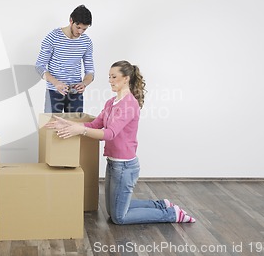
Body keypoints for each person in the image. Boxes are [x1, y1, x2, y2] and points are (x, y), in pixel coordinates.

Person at [46, 60, 196, 224]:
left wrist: (80, 130)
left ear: (126, 78)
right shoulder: (111, 103)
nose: (110, 80)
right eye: (109, 77)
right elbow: (95, 125)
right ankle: (161, 204)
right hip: (113, 163)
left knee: (119, 217)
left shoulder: (129, 104)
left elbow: (109, 134)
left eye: (114, 76)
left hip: (125, 166)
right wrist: (71, 124)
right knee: (112, 211)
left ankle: (172, 214)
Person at [35, 5, 95, 113]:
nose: (80, 32)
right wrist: (56, 83)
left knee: (75, 127)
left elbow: (90, 71)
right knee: (51, 128)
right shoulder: (53, 37)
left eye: (84, 29)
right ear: (71, 20)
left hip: (75, 93)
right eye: (78, 27)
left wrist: (84, 83)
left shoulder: (86, 42)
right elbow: (39, 66)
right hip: (54, 91)